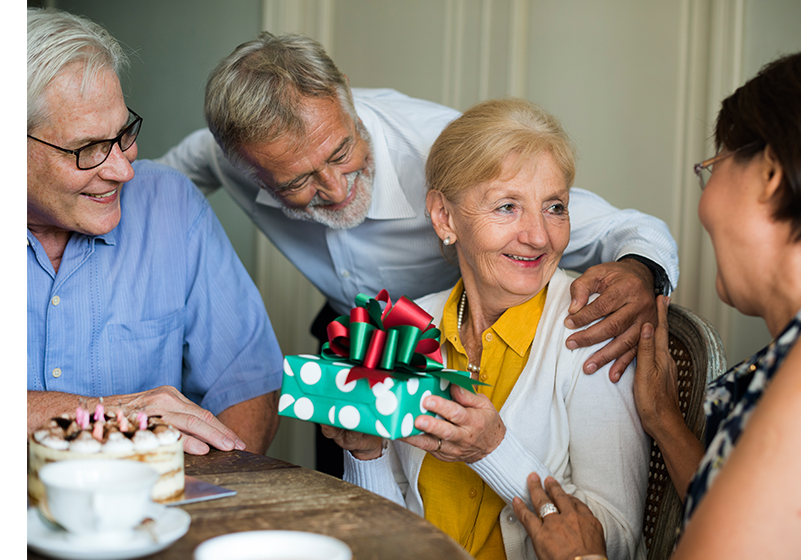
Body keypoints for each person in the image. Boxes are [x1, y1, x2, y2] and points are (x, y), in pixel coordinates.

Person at [159, 32, 680, 384]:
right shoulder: (221, 154)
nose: (336, 189)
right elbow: (155, 189)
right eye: (297, 181)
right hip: (350, 342)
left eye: (342, 153)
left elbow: (624, 227)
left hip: (455, 349)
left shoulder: (445, 153)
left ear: (347, 101)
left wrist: (641, 269)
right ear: (248, 169)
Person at [512, 49, 801, 560]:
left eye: (714, 167)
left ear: (771, 174)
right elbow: (757, 514)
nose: (703, 199)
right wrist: (664, 421)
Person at [322, 98, 650, 560]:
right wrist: (366, 453)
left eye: (554, 207)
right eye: (507, 207)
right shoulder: (403, 326)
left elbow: (616, 539)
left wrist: (492, 451)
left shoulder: (590, 330)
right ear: (444, 217)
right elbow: (383, 538)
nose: (539, 235)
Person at [27, 8, 284, 455]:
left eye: (122, 133)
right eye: (88, 149)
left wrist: (209, 506)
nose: (123, 170)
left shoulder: (170, 204)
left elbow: (247, 381)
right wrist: (109, 413)